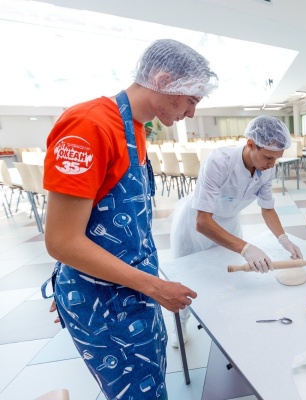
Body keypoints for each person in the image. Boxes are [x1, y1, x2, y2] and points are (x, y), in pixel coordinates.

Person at [40, 39, 218, 399]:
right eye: (191, 100)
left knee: (151, 380)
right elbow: (61, 241)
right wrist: (153, 287)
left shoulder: (135, 129)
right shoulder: (89, 125)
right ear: (164, 81)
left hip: (129, 290)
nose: (191, 113)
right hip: (106, 301)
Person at [169, 115, 303, 346]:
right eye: (268, 157)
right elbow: (202, 222)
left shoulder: (266, 170)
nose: (272, 164)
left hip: (229, 223)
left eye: (276, 159)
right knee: (189, 278)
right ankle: (181, 322)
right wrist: (246, 248)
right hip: (195, 224)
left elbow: (267, 209)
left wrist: (284, 239)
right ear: (250, 144)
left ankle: (223, 319)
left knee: (227, 275)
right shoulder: (219, 162)